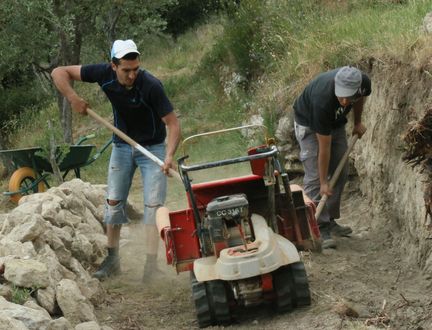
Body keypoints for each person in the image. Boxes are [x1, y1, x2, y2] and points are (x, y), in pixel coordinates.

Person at [51, 39, 181, 279]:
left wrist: (169, 155)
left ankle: (150, 266)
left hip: (153, 148)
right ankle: (113, 261)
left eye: (136, 69)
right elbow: (59, 72)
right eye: (126, 70)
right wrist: (72, 98)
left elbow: (173, 124)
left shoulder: (151, 85)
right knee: (113, 202)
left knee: (153, 206)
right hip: (122, 146)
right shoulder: (102, 73)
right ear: (113, 66)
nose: (132, 75)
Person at [293, 66, 371, 249]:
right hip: (310, 125)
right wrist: (323, 182)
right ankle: (319, 226)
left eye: (348, 96)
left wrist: (357, 122)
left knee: (341, 172)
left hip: (335, 124)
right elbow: (323, 148)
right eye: (341, 95)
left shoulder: (364, 83)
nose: (344, 101)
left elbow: (360, 100)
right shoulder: (322, 99)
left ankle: (330, 220)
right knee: (314, 179)